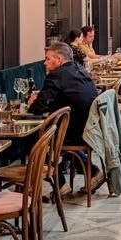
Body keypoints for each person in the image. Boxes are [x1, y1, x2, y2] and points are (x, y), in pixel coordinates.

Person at [28, 42, 101, 189]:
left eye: (48, 59)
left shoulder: (56, 76)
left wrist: (32, 103)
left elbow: (38, 108)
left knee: (33, 140)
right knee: (55, 134)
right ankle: (92, 171)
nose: (44, 63)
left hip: (75, 132)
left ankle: (60, 185)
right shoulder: (80, 70)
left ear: (59, 60)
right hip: (91, 128)